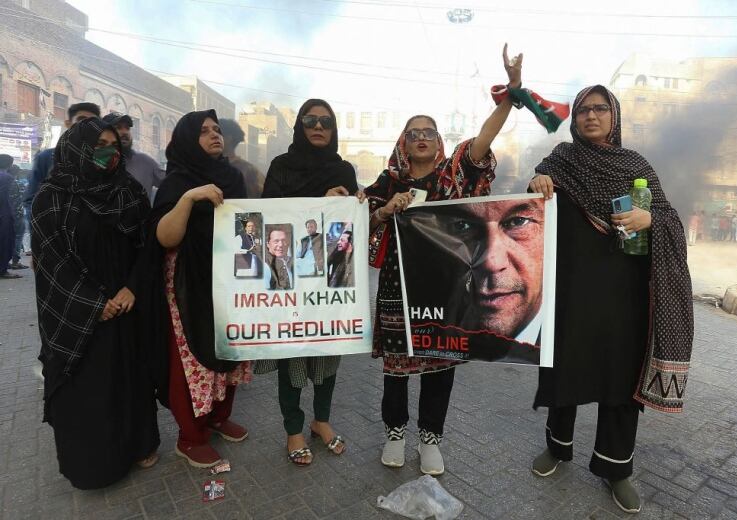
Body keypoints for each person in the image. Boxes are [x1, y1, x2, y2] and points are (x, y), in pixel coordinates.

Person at [528, 85, 693, 514]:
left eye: (601, 108)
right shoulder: (562, 159)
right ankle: (557, 447)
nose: (591, 115)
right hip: (572, 290)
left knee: (621, 382)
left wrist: (650, 217)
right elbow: (536, 191)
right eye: (583, 109)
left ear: (614, 116)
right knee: (565, 366)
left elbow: (671, 218)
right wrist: (538, 179)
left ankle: (616, 468)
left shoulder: (635, 164)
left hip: (626, 296)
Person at [364, 44, 522, 476]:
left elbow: (484, 140)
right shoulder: (387, 181)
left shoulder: (454, 175)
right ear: (402, 141)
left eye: (429, 132)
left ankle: (430, 439)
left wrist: (511, 93)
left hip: (446, 287)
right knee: (396, 366)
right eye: (413, 131)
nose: (420, 137)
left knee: (439, 361)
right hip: (399, 288)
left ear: (439, 143)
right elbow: (361, 221)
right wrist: (383, 209)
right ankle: (395, 432)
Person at [31, 117, 159, 488]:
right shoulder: (50, 198)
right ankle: (94, 465)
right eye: (99, 144)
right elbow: (51, 264)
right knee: (89, 389)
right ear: (76, 147)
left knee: (131, 379)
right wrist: (92, 304)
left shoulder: (128, 191)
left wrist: (133, 287)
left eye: (113, 145)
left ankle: (140, 444)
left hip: (126, 305)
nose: (110, 152)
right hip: (80, 312)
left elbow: (146, 246)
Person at [143, 110, 252, 468]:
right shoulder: (178, 181)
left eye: (217, 130)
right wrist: (189, 199)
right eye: (204, 131)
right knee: (192, 358)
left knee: (230, 348)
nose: (214, 135)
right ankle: (190, 436)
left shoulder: (232, 177)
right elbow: (164, 236)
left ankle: (219, 417)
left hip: (231, 279)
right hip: (190, 284)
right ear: (189, 140)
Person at [256, 98, 359, 466]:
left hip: (331, 279)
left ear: (333, 129)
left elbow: (346, 229)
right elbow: (271, 218)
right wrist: (319, 200)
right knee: (293, 358)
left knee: (328, 354)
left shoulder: (344, 169)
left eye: (326, 121)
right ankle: (294, 429)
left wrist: (356, 205)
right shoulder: (281, 166)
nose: (318, 126)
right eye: (310, 120)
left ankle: (321, 421)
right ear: (299, 126)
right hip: (289, 279)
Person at [395, 197, 545, 363]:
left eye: (518, 222)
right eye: (463, 226)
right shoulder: (442, 324)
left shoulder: (564, 334)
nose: (491, 262)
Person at [24, 103, 101, 226]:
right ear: (68, 124)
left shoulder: (102, 161)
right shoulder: (47, 158)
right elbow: (31, 200)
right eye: (81, 119)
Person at [103, 113, 164, 202]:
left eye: (127, 128)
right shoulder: (95, 164)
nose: (125, 132)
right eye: (118, 127)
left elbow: (172, 184)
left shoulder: (145, 162)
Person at [219, 118, 265, 198]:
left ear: (229, 138)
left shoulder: (249, 171)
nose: (213, 136)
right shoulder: (203, 167)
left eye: (218, 133)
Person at [0, 154, 20, 279]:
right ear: (9, 164)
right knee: (5, 242)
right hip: (4, 214)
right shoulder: (8, 178)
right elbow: (14, 199)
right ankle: (3, 270)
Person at [8, 165, 28, 269]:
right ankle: (15, 261)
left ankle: (7, 261)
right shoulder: (16, 183)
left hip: (7, 214)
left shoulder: (7, 182)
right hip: (17, 214)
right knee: (18, 236)